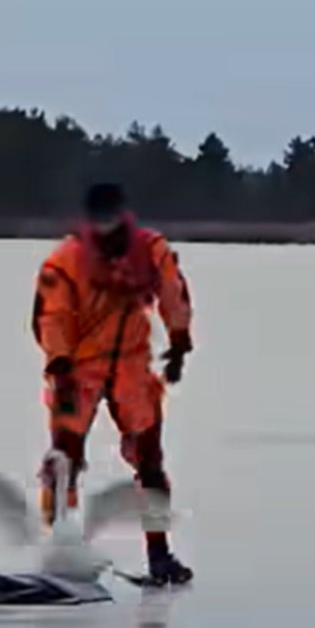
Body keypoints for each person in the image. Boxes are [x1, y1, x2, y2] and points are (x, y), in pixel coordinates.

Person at [31, 182, 195, 586]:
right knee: (65, 462)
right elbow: (51, 316)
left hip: (128, 370)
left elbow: (172, 293)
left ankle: (158, 553)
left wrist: (178, 341)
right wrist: (59, 363)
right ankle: (63, 548)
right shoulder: (67, 260)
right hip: (77, 371)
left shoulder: (148, 251)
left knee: (148, 464)